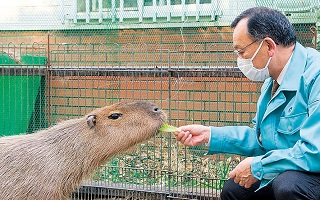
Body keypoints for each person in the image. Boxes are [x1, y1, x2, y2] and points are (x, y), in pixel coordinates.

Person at [174, 6, 320, 200]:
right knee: (235, 190)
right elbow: (262, 141)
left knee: (289, 186)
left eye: (241, 51)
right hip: (289, 169)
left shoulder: (315, 75)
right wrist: (209, 134)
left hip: (310, 171)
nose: (239, 59)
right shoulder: (272, 82)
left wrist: (259, 166)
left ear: (268, 46)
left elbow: (315, 151)